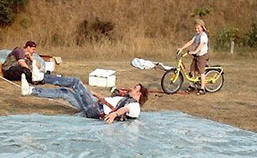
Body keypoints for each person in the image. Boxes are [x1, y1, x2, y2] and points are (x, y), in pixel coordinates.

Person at [21, 74, 149, 124]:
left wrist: (114, 115)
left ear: (139, 93)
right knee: (64, 92)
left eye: (134, 88)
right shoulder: (125, 98)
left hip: (96, 109)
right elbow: (110, 102)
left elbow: (124, 110)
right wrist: (97, 95)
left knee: (76, 82)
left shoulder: (135, 106)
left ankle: (41, 78)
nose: (131, 89)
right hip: (95, 105)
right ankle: (31, 90)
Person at [177, 18, 209, 94]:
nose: (197, 30)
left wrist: (195, 51)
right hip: (196, 55)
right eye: (195, 28)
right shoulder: (197, 35)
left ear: (202, 28)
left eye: (198, 28)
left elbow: (201, 45)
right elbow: (190, 42)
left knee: (201, 72)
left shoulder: (203, 36)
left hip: (202, 55)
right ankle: (192, 86)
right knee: (192, 70)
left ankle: (202, 88)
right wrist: (182, 48)